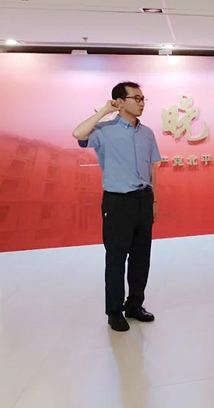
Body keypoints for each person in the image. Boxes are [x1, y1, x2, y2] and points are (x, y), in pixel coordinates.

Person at [72, 81, 161, 331]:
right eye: (136, 98)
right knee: (116, 258)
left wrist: (154, 200)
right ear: (120, 102)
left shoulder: (147, 133)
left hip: (143, 199)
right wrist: (104, 111)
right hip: (117, 202)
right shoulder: (103, 130)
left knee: (141, 257)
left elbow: (153, 168)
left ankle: (135, 305)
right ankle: (114, 311)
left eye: (143, 98)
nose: (142, 103)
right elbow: (78, 133)